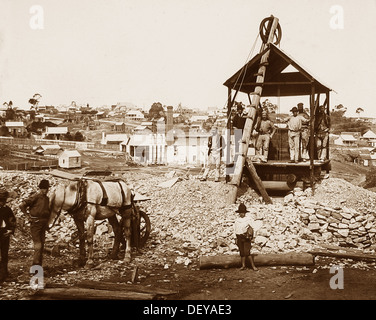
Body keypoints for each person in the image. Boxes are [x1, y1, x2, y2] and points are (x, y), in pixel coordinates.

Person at [19, 179, 51, 267]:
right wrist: (27, 216)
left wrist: (47, 224)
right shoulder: (35, 197)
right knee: (38, 245)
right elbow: (22, 205)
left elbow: (47, 211)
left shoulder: (47, 199)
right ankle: (35, 266)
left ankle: (39, 266)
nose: (46, 190)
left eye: (47, 188)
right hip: (36, 223)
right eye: (44, 188)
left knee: (42, 244)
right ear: (40, 188)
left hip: (43, 224)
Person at [234, 203, 258, 271]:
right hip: (239, 237)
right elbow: (234, 230)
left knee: (247, 252)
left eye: (243, 212)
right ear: (239, 213)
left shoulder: (248, 219)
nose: (242, 214)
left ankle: (253, 266)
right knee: (242, 252)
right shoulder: (236, 220)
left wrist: (254, 237)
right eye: (240, 213)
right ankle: (243, 266)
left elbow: (254, 228)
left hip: (246, 237)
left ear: (245, 213)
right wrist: (235, 238)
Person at [0, 188, 16, 282]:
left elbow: (12, 221)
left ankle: (4, 275)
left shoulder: (7, 209)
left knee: (4, 254)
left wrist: (11, 230)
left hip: (4, 233)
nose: (3, 202)